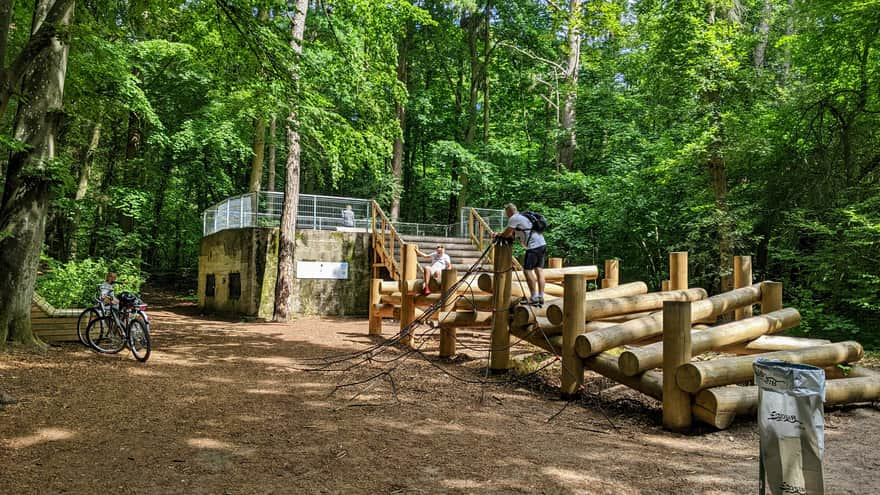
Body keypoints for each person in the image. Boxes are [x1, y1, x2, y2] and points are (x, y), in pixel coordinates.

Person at [497, 203, 546, 305]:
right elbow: (513, 234)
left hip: (533, 247)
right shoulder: (523, 217)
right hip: (542, 244)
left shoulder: (514, 218)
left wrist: (499, 235)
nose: (506, 215)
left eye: (506, 212)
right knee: (539, 270)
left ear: (509, 211)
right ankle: (541, 296)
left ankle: (533, 297)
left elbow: (507, 233)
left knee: (527, 271)